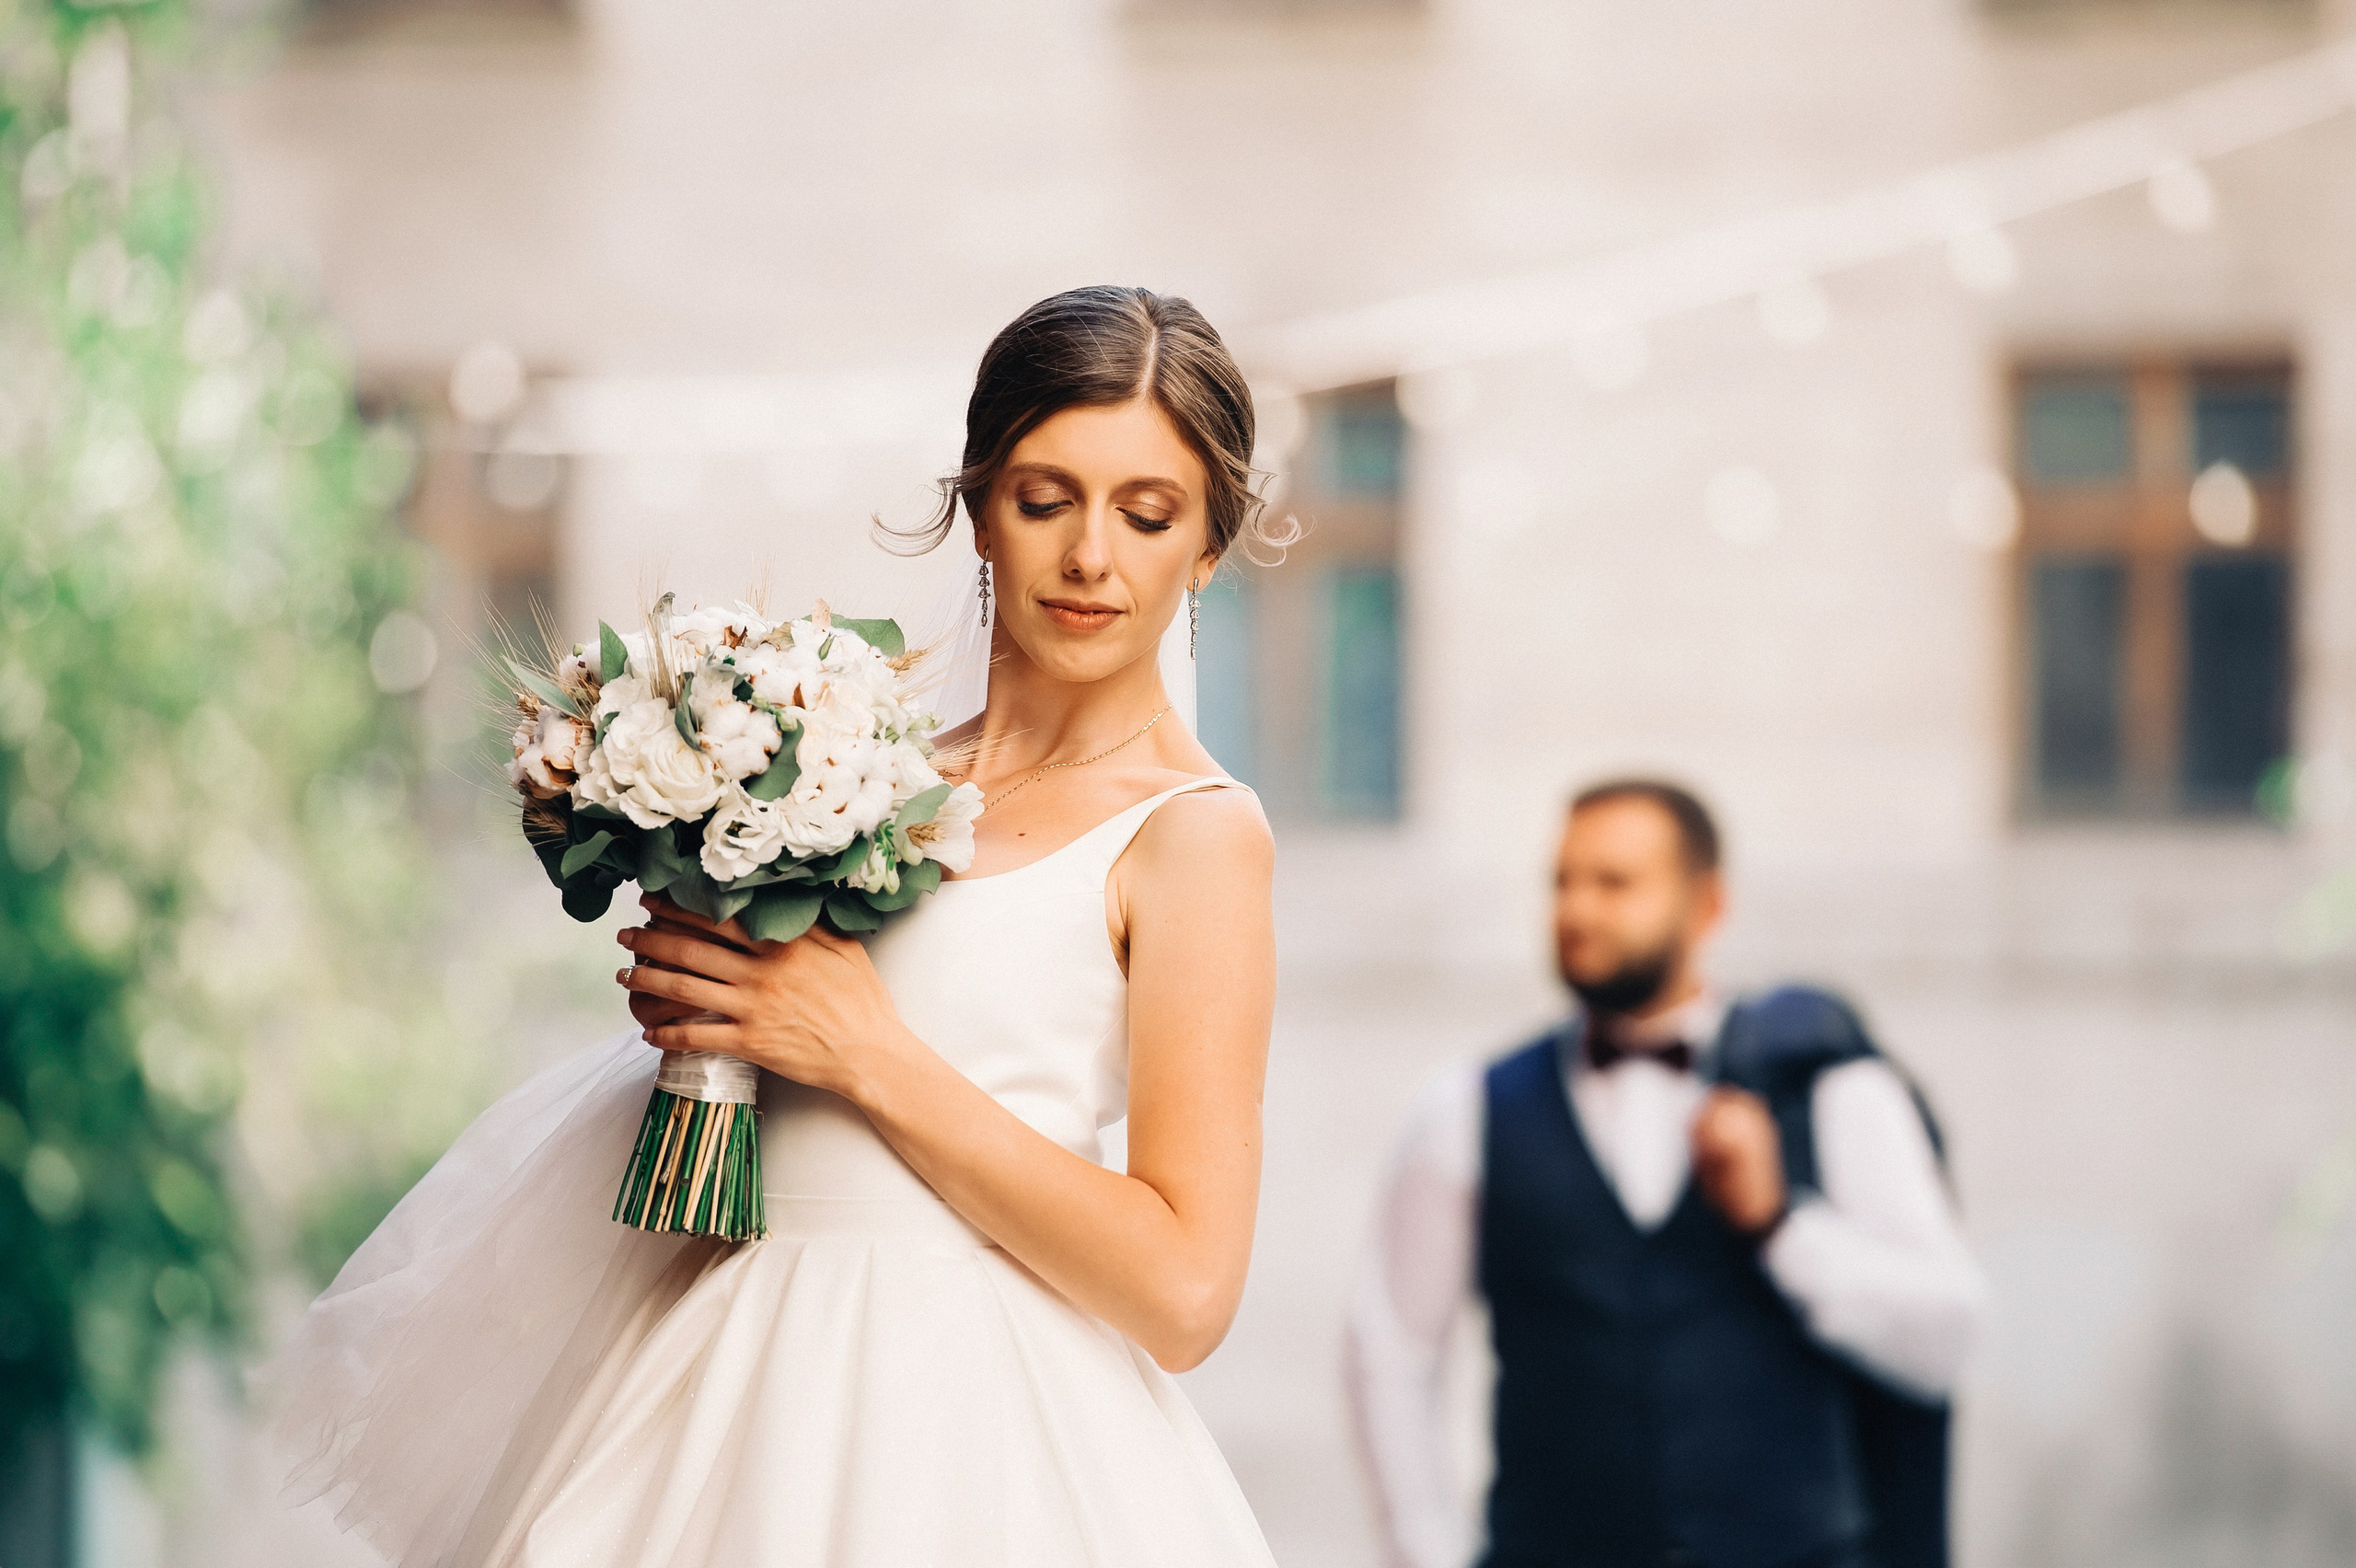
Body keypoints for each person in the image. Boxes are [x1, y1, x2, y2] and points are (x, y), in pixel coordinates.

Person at [273, 286, 1283, 1566]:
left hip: (983, 1443)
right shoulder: (846, 770)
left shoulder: (1195, 834)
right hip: (723, 1386)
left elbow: (1187, 1293)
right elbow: (737, 1156)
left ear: (1206, 549)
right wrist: (706, 1038)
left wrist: (865, 1051)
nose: (1092, 556)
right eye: (1045, 498)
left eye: (1147, 515)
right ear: (978, 511)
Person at [1345, 779, 1989, 1568]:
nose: (1576, 911)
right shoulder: (1468, 1108)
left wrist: (1779, 1224)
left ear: (1707, 905)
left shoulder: (1831, 1088)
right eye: (1562, 882)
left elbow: (1947, 1336)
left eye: (1614, 883)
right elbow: (1391, 1353)